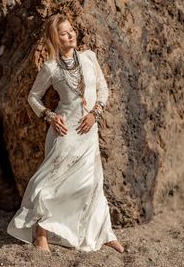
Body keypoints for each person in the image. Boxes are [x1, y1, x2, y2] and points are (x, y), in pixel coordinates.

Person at [7, 13, 124, 253]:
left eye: (71, 30)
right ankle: (41, 233)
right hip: (65, 132)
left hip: (89, 130)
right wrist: (50, 116)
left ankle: (105, 233)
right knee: (51, 183)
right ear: (55, 38)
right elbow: (33, 96)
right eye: (64, 33)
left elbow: (102, 89)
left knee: (92, 184)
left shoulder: (89, 57)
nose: (70, 34)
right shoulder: (50, 68)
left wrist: (95, 114)